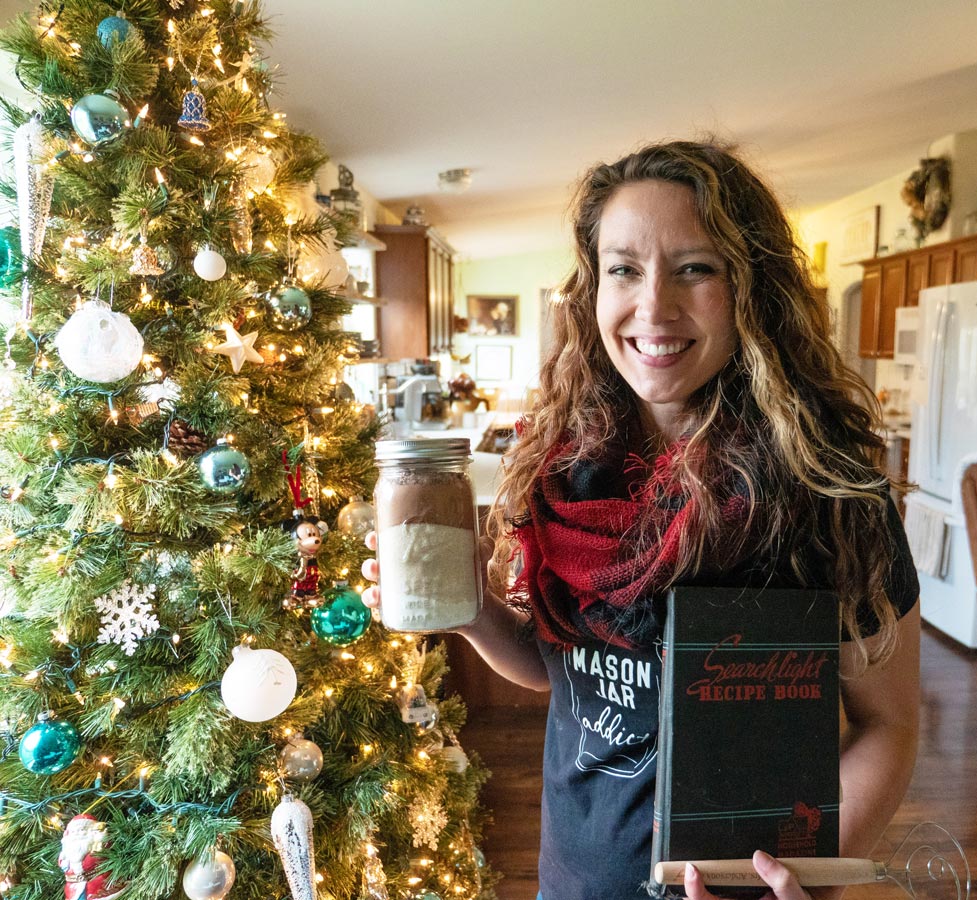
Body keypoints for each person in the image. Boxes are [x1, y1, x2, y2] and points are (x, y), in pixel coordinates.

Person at [362, 140, 921, 900]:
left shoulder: (829, 491)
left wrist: (799, 880)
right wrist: (466, 606)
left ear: (751, 286)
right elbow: (562, 671)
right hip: (573, 878)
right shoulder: (564, 465)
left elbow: (888, 727)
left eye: (696, 268)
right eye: (625, 268)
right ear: (595, 288)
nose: (653, 306)